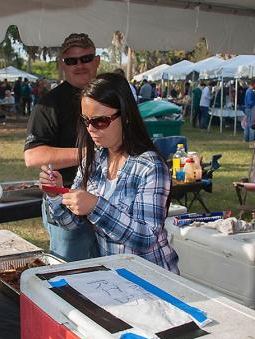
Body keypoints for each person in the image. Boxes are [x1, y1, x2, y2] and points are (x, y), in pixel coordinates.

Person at [39, 73, 179, 273]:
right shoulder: (94, 159)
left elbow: (146, 238)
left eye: (100, 121)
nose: (91, 129)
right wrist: (56, 194)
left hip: (154, 278)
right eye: (85, 120)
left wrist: (95, 207)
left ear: (126, 116)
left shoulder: (150, 166)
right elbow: (70, 223)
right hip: (116, 276)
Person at [24, 32, 100, 262]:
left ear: (97, 61)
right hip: (66, 204)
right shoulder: (50, 103)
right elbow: (33, 156)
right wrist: (90, 155)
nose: (80, 65)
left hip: (109, 201)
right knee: (71, 277)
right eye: (71, 60)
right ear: (62, 65)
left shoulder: (110, 96)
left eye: (86, 58)